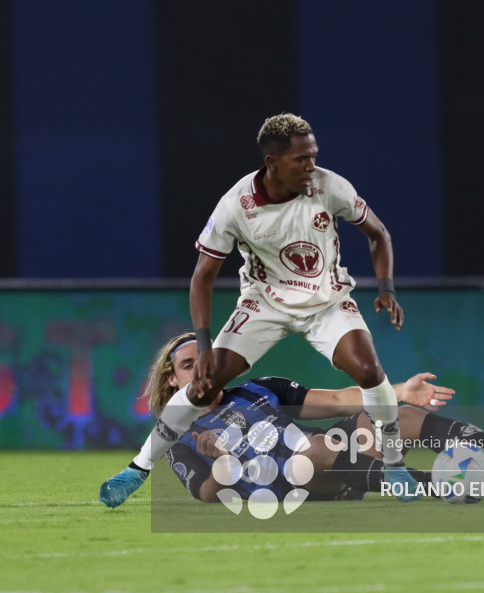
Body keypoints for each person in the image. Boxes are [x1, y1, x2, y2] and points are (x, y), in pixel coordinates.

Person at [101, 114, 422, 506]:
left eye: (314, 156)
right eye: (301, 159)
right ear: (272, 162)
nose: (311, 166)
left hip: (326, 302)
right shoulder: (236, 205)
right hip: (264, 304)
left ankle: (394, 465)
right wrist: (204, 346)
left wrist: (386, 287)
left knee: (370, 370)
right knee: (204, 385)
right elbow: (202, 277)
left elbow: (378, 233)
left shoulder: (328, 185)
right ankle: (137, 469)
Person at [101, 333, 484, 506]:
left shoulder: (262, 387)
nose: (201, 371)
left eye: (208, 360)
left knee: (400, 416)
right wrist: (223, 464)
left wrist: (397, 391)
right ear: (171, 378)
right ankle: (444, 485)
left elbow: (338, 398)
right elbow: (203, 493)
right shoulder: (178, 435)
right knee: (313, 450)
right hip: (294, 482)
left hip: (333, 457)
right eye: (187, 365)